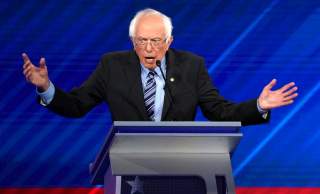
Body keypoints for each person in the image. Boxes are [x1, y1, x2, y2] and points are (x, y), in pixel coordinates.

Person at [22, 8, 298, 125]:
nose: (150, 48)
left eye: (156, 41)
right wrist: (46, 87)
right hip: (128, 165)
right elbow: (76, 105)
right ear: (132, 41)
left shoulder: (192, 66)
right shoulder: (112, 66)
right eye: (142, 41)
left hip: (184, 166)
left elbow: (219, 112)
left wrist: (259, 106)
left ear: (169, 41)